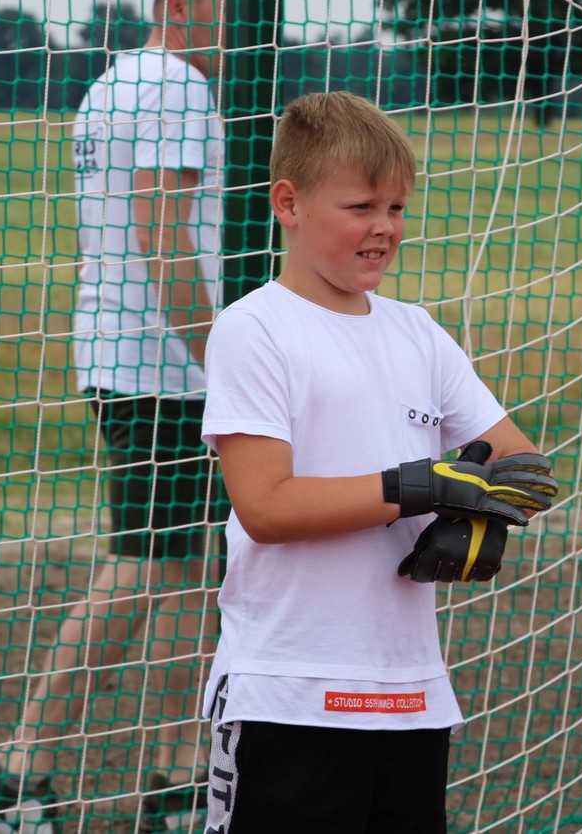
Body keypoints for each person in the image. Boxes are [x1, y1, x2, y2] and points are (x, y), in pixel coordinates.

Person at [198, 91, 560, 833]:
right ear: (289, 203)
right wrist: (417, 486)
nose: (385, 228)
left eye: (397, 208)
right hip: (288, 693)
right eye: (361, 206)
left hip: (410, 694)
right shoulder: (254, 329)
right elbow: (265, 507)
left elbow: (523, 464)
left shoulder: (417, 333)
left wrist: (474, 519)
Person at [0, 0, 227, 833]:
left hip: (136, 362)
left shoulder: (118, 80)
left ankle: (183, 779)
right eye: (230, 6)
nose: (243, 28)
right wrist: (224, 354)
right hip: (164, 370)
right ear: (181, 2)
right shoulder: (174, 87)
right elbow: (160, 232)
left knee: (196, 567)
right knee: (147, 563)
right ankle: (18, 770)